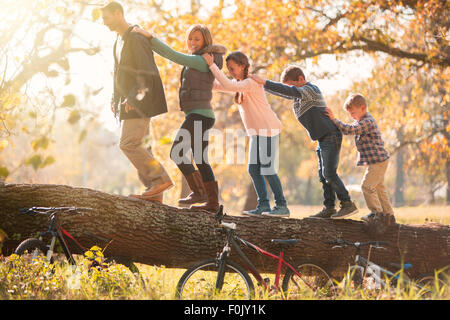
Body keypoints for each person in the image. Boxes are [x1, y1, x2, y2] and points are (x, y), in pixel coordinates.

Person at [133, 24, 226, 213]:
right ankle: (211, 202)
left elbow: (172, 55)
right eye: (190, 38)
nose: (192, 42)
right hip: (199, 115)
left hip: (201, 115)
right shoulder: (200, 60)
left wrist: (150, 37)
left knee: (177, 152)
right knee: (200, 158)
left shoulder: (201, 60)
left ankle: (200, 193)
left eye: (197, 39)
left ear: (205, 41)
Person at [251, 66, 358, 219]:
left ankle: (347, 204)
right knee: (323, 175)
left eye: (292, 85)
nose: (290, 89)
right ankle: (329, 208)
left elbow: (288, 91)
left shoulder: (310, 90)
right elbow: (285, 92)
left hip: (331, 135)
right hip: (322, 137)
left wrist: (265, 82)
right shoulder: (297, 95)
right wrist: (261, 85)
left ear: (301, 79)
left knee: (329, 173)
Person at [202, 51, 290, 217]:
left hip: (268, 129)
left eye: (232, 68)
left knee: (268, 169)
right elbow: (219, 85)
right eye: (228, 69)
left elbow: (226, 85)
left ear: (243, 66)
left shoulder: (250, 83)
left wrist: (212, 65)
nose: (230, 71)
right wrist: (203, 76)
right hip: (257, 133)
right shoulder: (240, 84)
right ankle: (263, 205)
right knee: (253, 169)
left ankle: (282, 206)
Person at [101, 2, 173, 203]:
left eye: (106, 18)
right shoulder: (119, 40)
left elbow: (146, 70)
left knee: (128, 143)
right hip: (127, 102)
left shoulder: (136, 37)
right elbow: (119, 74)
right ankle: (155, 194)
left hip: (139, 102)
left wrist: (134, 96)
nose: (104, 23)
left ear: (118, 13)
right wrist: (115, 99)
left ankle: (160, 179)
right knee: (142, 146)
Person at [325, 94, 395, 226]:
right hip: (378, 162)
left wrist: (334, 119)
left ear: (363, 108)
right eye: (350, 114)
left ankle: (377, 214)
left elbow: (349, 130)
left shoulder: (367, 122)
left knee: (366, 186)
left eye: (353, 113)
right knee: (379, 189)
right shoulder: (361, 121)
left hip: (379, 162)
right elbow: (350, 127)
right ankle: (389, 216)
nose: (352, 116)